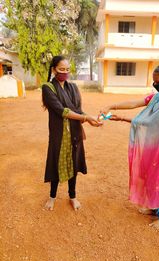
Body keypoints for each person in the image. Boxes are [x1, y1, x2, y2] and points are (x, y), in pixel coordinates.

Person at [100, 64, 159, 229]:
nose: (155, 84)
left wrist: (122, 118)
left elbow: (150, 123)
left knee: (157, 178)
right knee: (147, 175)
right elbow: (135, 103)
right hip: (150, 145)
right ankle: (154, 207)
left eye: (158, 81)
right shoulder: (158, 96)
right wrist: (112, 106)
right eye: (154, 81)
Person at [42, 55, 102, 211]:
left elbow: (78, 111)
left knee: (74, 165)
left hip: (74, 133)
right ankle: (52, 196)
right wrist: (85, 117)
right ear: (54, 69)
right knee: (56, 164)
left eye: (68, 69)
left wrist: (90, 119)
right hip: (59, 135)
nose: (65, 72)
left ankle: (72, 196)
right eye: (61, 69)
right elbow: (62, 111)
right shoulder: (48, 88)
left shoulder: (73, 87)